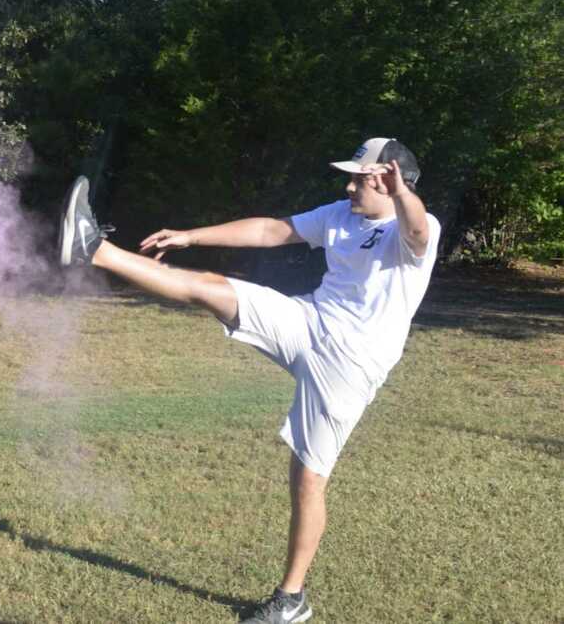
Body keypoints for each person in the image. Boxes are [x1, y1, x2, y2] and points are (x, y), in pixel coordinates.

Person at [57, 137, 441, 623]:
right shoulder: (341, 215)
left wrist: (402, 191)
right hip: (309, 321)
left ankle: (291, 599)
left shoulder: (415, 228)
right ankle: (94, 250)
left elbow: (418, 232)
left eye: (359, 179)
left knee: (307, 478)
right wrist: (192, 237)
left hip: (350, 364)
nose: (348, 187)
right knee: (210, 289)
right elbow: (270, 230)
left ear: (388, 179)